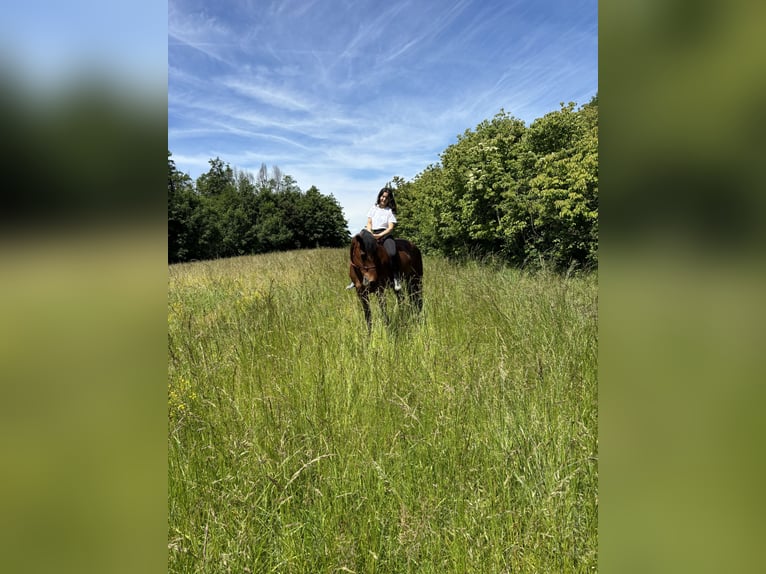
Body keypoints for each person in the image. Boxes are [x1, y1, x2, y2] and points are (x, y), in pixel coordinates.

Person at [366, 186, 401, 290]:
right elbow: (369, 223)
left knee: (392, 253)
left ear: (389, 199)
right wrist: (370, 232)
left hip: (385, 234)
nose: (384, 199)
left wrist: (380, 236)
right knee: (360, 249)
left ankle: (396, 277)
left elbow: (390, 228)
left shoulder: (389, 211)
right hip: (372, 232)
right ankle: (359, 278)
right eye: (382, 196)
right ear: (379, 196)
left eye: (386, 197)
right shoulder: (373, 208)